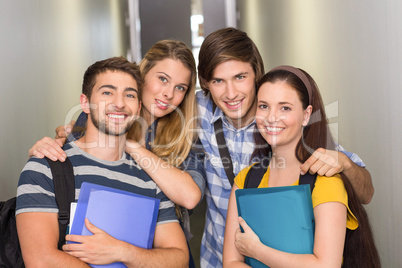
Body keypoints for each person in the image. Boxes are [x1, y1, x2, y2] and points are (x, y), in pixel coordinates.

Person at [196, 27, 374, 267]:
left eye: (240, 77)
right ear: (206, 83)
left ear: (256, 74)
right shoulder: (197, 111)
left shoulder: (314, 164)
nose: (231, 93)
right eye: (218, 80)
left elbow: (365, 192)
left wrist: (344, 164)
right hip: (215, 255)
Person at [27, 40, 205, 268]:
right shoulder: (102, 113)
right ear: (143, 75)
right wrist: (48, 148)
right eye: (163, 79)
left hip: (160, 246)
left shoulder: (185, 136)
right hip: (93, 242)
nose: (169, 94)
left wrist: (128, 144)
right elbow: (72, 156)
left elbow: (189, 197)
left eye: (181, 87)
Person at [222, 65, 380, 267]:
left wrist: (257, 251)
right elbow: (232, 262)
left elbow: (325, 265)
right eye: (263, 106)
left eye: (285, 108)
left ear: (306, 115)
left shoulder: (326, 180)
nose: (271, 117)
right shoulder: (246, 179)